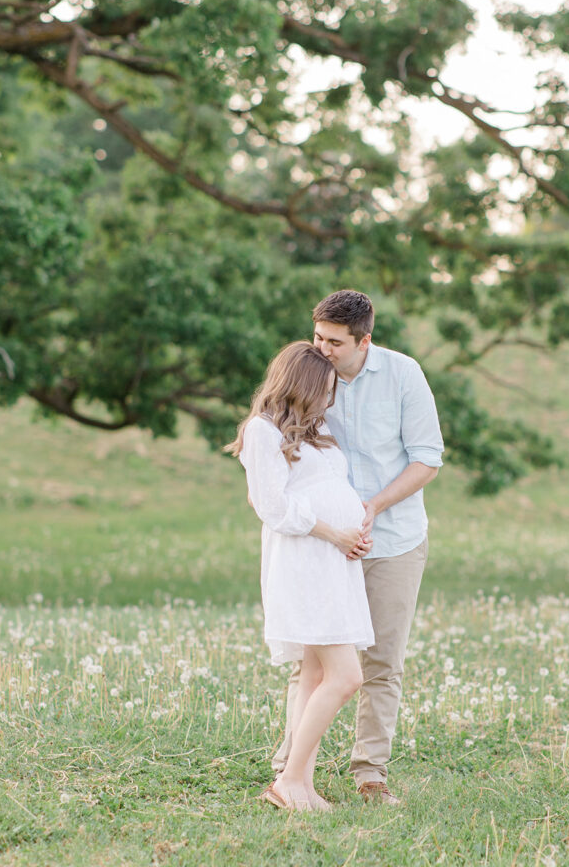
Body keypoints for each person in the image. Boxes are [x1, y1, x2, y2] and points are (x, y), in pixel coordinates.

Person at [272, 290, 444, 806]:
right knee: (314, 663)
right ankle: (291, 768)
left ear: (364, 341)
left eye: (334, 342)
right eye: (317, 336)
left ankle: (370, 774)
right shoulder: (307, 374)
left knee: (381, 665)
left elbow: (427, 459)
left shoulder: (403, 375)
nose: (321, 348)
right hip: (327, 546)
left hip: (394, 540)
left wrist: (373, 506)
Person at [226, 340, 375, 811]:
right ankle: (288, 781)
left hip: (333, 560)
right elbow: (272, 506)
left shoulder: (314, 431)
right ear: (304, 386)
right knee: (346, 675)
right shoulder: (262, 431)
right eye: (325, 390)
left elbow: (326, 488)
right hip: (305, 560)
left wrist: (354, 529)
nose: (329, 400)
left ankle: (302, 785)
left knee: (313, 674)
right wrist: (335, 532)